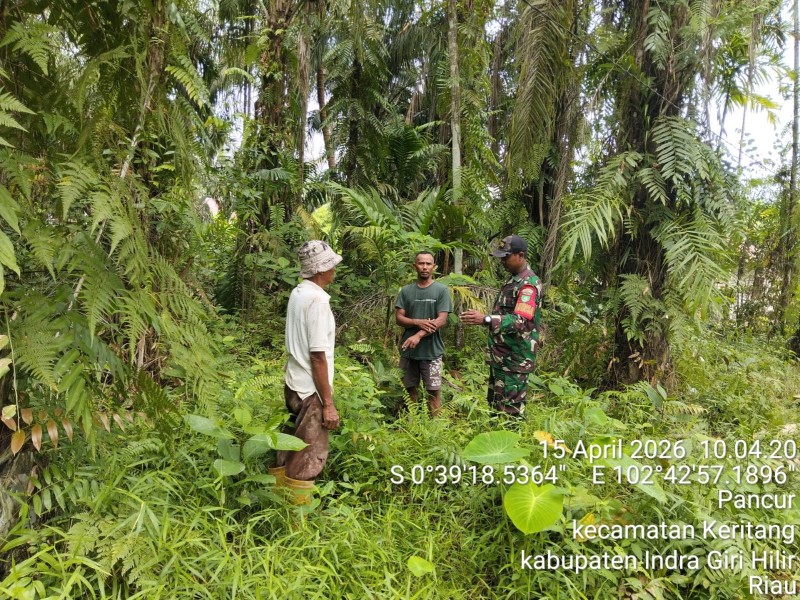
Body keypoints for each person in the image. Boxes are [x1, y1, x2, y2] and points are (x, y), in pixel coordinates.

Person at [272, 240, 342, 503]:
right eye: (331, 264)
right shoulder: (317, 300)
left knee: (289, 447)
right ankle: (295, 520)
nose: (335, 268)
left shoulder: (298, 293)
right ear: (321, 269)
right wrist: (328, 404)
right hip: (310, 390)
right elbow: (317, 356)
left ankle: (277, 501)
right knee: (308, 456)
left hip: (293, 383)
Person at [460, 235, 542, 416]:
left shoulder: (528, 285)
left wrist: (486, 319)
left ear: (520, 255)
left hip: (514, 361)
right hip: (502, 359)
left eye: (506, 257)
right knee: (496, 410)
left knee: (510, 415)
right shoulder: (513, 280)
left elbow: (520, 321)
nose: (502, 261)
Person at [395, 251, 452, 415]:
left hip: (432, 352)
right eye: (421, 263)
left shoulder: (441, 290)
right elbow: (399, 318)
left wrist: (418, 335)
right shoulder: (406, 291)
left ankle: (435, 430)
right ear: (415, 266)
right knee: (408, 390)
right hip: (408, 351)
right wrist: (418, 322)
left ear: (434, 267)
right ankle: (410, 425)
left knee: (433, 392)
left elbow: (441, 320)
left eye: (428, 264)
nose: (425, 267)